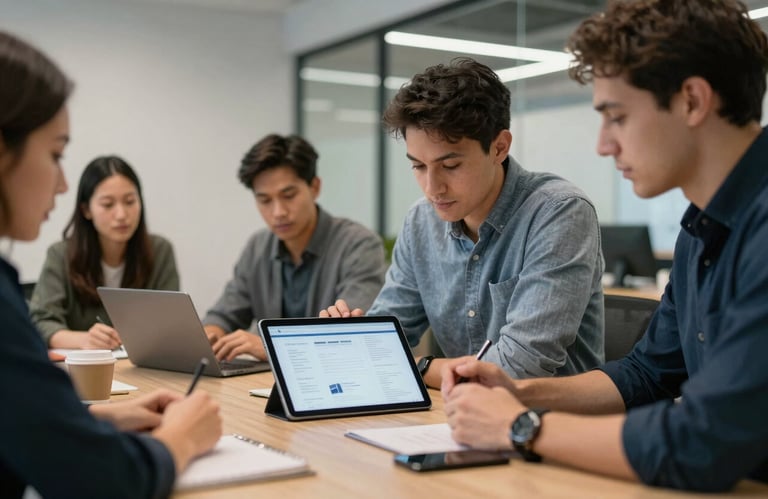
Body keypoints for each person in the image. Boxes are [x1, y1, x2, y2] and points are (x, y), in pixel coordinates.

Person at [441, 0, 768, 492]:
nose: (603, 144)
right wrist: (518, 393)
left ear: (693, 101)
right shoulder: (701, 229)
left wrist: (521, 427)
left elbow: (704, 441)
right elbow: (647, 374)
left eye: (616, 117)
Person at [0, 30, 221, 497]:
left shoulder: (157, 249)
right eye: (55, 154)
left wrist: (91, 417)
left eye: (130, 201)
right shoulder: (56, 259)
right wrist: (180, 439)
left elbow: (20, 422)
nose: (61, 184)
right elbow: (98, 479)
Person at [321, 58, 604, 387]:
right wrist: (354, 338)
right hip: (458, 417)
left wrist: (420, 366)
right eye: (418, 166)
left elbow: (519, 367)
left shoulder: (559, 212)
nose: (432, 188)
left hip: (552, 425)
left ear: (499, 147)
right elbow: (382, 343)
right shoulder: (421, 222)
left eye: (450, 165)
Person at [203, 134, 387, 361]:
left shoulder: (358, 245)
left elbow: (348, 336)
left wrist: (271, 347)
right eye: (265, 200)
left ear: (315, 187)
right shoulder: (258, 246)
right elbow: (225, 313)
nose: (278, 212)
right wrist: (211, 333)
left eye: (288, 196)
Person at [30, 155, 179, 350]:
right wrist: (84, 340)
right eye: (108, 204)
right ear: (86, 210)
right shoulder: (61, 255)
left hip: (142, 370)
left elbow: (172, 324)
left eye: (130, 201)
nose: (121, 215)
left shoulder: (159, 251)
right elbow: (40, 322)